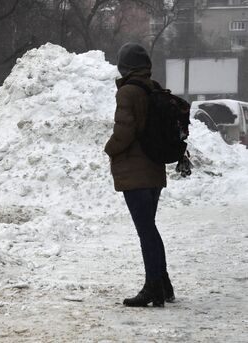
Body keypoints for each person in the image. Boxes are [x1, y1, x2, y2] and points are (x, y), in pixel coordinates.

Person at [104, 43, 175, 307]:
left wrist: (109, 149)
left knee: (146, 231)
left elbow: (124, 131)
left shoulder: (127, 92)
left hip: (136, 171)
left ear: (126, 66)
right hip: (154, 168)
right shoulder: (153, 88)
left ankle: (153, 288)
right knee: (150, 229)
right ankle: (164, 284)